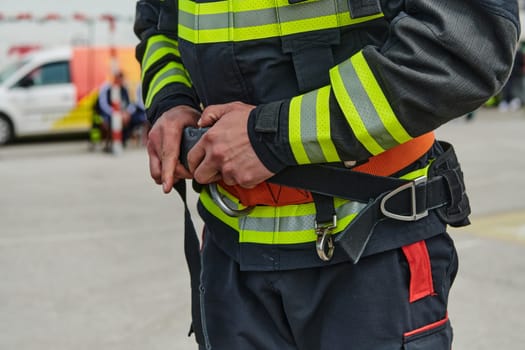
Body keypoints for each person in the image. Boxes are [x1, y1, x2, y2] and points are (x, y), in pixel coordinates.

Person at [134, 1, 519, 349]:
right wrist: (172, 101)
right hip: (231, 258)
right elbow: (159, 25)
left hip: (370, 249)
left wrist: (273, 137)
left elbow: (465, 45)